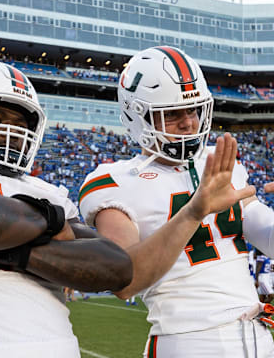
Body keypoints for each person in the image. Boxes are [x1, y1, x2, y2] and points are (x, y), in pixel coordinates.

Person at [0, 61, 133, 358]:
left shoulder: (46, 190)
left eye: (20, 124)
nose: (11, 131)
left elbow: (116, 267)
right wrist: (51, 219)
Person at [79, 46, 274, 357]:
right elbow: (124, 280)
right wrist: (193, 213)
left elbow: (266, 233)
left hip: (258, 337)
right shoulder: (115, 181)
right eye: (171, 113)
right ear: (137, 115)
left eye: (193, 109)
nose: (188, 123)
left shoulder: (219, 163)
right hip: (188, 341)